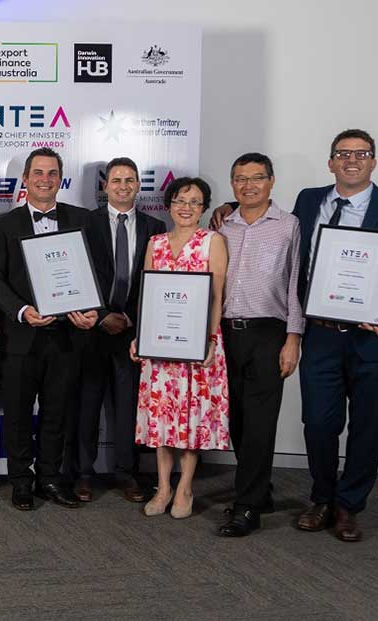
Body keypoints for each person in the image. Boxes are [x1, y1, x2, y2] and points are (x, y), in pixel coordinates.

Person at [289, 130, 378, 542]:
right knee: (317, 422)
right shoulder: (308, 200)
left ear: (373, 162)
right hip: (322, 336)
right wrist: (229, 207)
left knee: (366, 427)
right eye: (342, 154)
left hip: (375, 340)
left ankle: (349, 506)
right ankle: (322, 498)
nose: (352, 160)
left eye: (361, 154)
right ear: (330, 162)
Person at [0, 147, 99, 511]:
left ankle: (50, 477)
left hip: (68, 336)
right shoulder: (4, 225)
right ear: (26, 179)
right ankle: (21, 480)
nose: (45, 179)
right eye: (38, 173)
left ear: (60, 178)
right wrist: (21, 311)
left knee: (57, 412)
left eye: (52, 173)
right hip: (22, 336)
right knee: (18, 413)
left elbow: (96, 274)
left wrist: (91, 310)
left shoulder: (82, 219)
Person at [214, 153, 303, 537]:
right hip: (225, 333)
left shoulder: (289, 226)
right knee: (235, 417)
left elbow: (297, 283)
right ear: (232, 184)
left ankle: (247, 506)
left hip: (270, 333)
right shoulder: (222, 225)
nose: (248, 185)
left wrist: (293, 338)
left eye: (256, 178)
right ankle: (259, 490)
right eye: (239, 179)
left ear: (272, 181)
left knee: (261, 422)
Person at [130, 177, 229, 520]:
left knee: (190, 417)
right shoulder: (155, 243)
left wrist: (212, 340)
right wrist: (140, 337)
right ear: (169, 204)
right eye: (180, 200)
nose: (186, 207)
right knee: (162, 418)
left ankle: (185, 486)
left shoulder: (212, 242)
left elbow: (217, 297)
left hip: (198, 348)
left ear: (203, 209)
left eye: (195, 202)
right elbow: (148, 296)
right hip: (160, 347)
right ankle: (163, 486)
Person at [72, 157, 166, 504]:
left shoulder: (156, 228)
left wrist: (129, 317)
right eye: (116, 180)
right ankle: (83, 474)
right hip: (91, 329)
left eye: (130, 180)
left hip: (132, 331)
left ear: (139, 185)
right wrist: (99, 315)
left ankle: (127, 472)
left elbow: (155, 281)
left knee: (128, 408)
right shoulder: (85, 223)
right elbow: (77, 274)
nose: (123, 186)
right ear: (104, 186)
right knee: (87, 405)